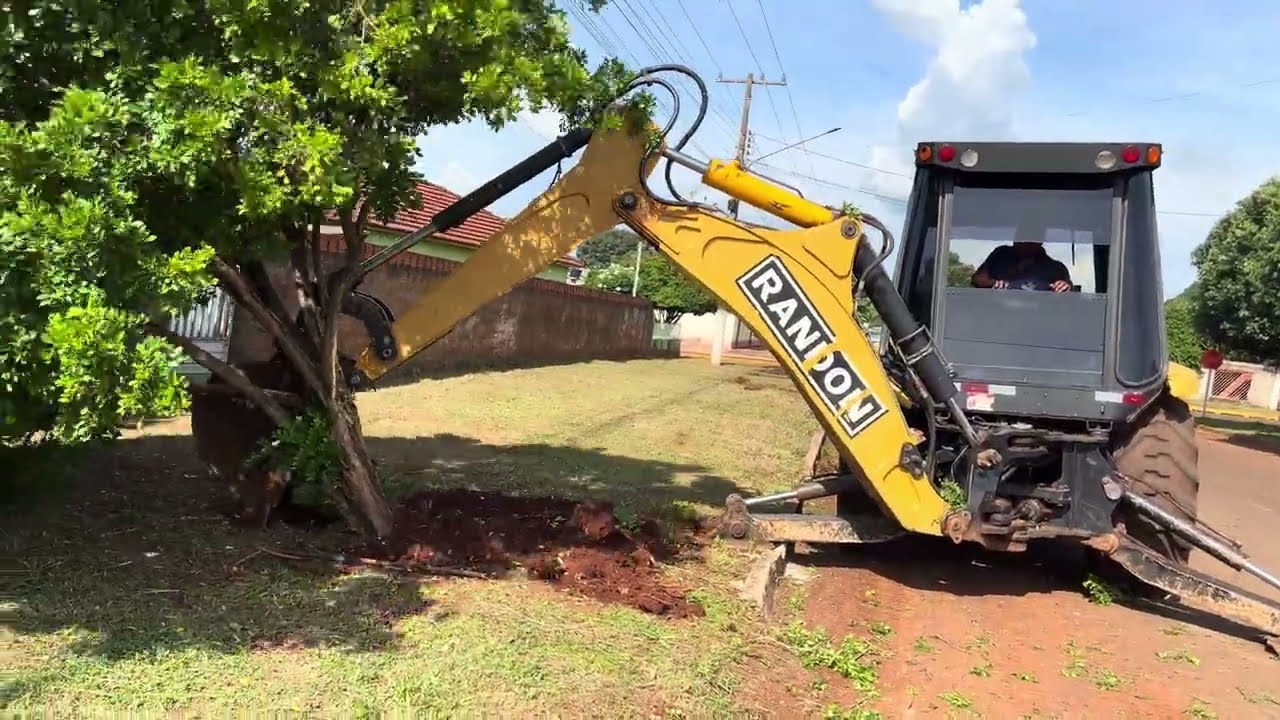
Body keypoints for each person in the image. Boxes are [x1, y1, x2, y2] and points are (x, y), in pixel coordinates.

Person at [970, 239, 1073, 292]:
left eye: (1025, 238)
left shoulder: (1055, 268)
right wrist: (995, 283)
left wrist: (1064, 286)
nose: (1018, 242)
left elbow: (1070, 290)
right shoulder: (1001, 254)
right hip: (1000, 318)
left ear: (1039, 241)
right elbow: (977, 279)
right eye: (1017, 237)